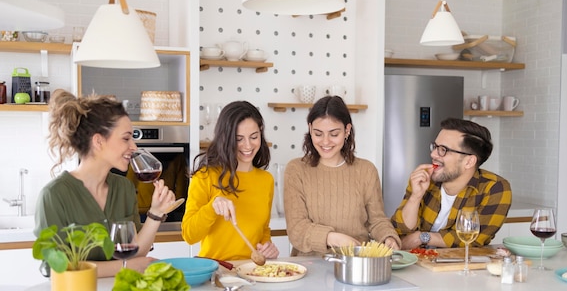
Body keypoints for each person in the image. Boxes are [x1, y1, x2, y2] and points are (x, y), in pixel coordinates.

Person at [34, 89, 177, 277]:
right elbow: (57, 268)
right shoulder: (54, 195)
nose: (133, 147)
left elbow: (136, 251)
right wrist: (127, 267)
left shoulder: (124, 188)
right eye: (126, 138)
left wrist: (156, 213)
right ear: (98, 141)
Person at [284, 96, 401, 256]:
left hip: (356, 265)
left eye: (334, 134)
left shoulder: (366, 170)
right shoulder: (296, 169)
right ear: (310, 129)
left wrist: (388, 237)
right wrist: (333, 238)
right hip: (311, 268)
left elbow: (377, 220)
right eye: (318, 134)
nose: (325, 142)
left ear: (347, 130)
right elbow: (297, 229)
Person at [391, 118, 512, 249]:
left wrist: (421, 237)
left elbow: (474, 239)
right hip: (417, 264)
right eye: (435, 147)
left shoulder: (495, 188)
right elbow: (399, 231)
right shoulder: (424, 179)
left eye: (443, 149)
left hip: (458, 266)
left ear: (469, 162)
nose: (433, 154)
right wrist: (415, 196)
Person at [182, 101, 279, 261]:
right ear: (225, 139)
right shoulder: (206, 176)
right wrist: (212, 207)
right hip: (216, 270)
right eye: (238, 139)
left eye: (254, 137)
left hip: (252, 271)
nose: (247, 145)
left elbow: (263, 230)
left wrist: (267, 246)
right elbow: (189, 235)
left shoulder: (266, 180)